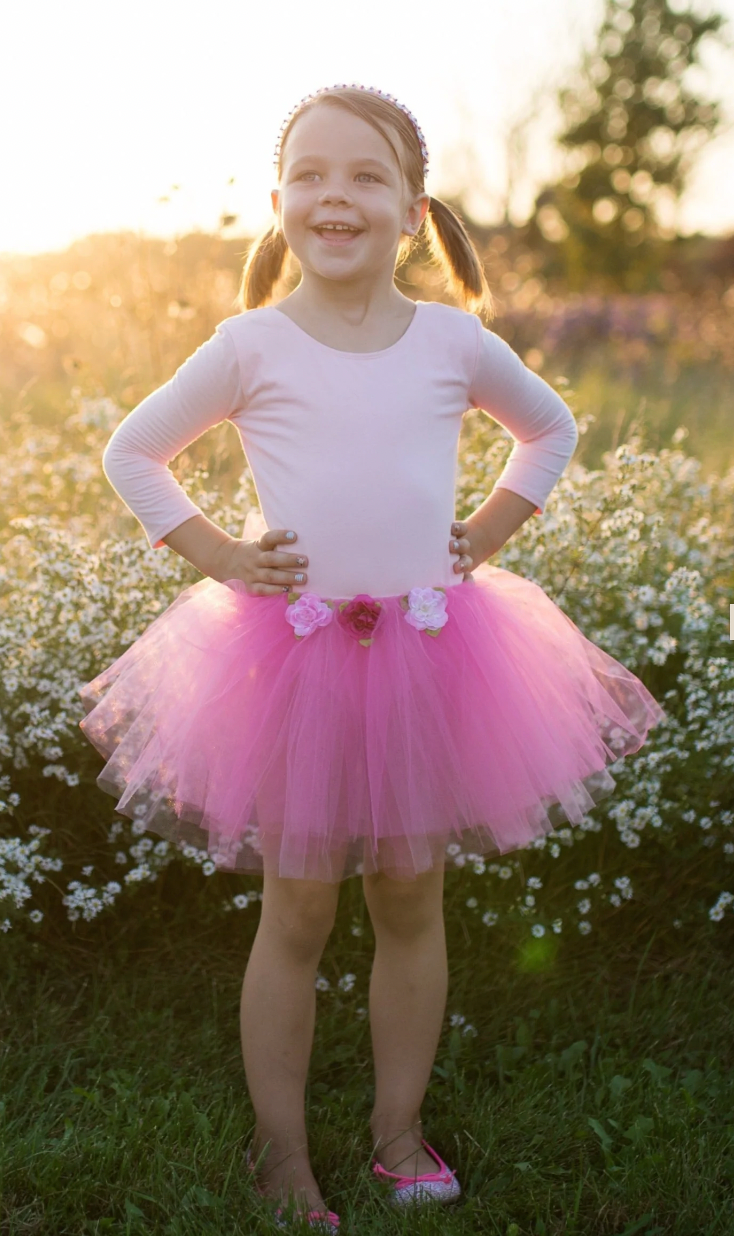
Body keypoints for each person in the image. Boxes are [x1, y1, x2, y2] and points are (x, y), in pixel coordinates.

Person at [78, 83, 666, 1232]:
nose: (331, 196)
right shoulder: (249, 345)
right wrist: (220, 557)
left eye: (362, 177)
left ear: (411, 211)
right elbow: (131, 450)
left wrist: (484, 535)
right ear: (277, 203)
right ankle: (279, 1152)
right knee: (296, 908)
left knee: (408, 893)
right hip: (289, 659)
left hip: (434, 651)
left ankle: (397, 1132)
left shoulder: (451, 340)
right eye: (308, 175)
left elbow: (549, 427)